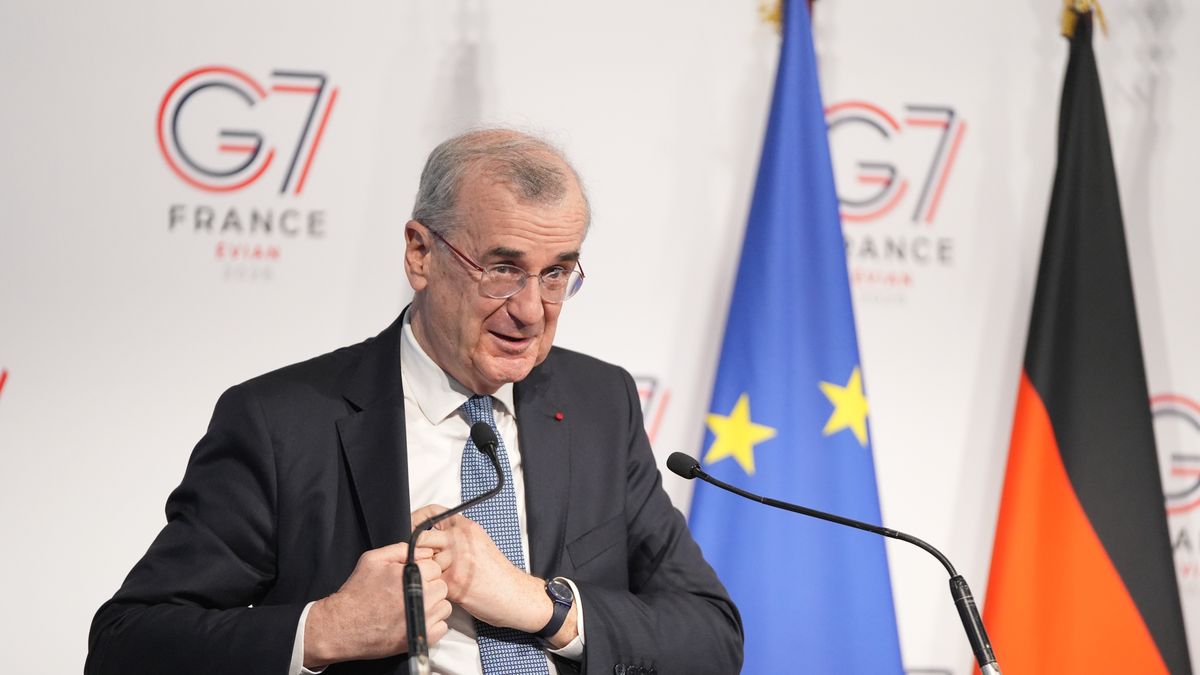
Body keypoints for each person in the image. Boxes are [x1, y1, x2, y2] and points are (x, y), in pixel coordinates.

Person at [86, 129, 743, 675]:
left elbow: (712, 635)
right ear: (420, 253)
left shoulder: (602, 403)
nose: (531, 311)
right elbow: (128, 642)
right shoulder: (283, 423)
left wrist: (540, 604)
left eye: (556, 273)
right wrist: (325, 628)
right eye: (502, 268)